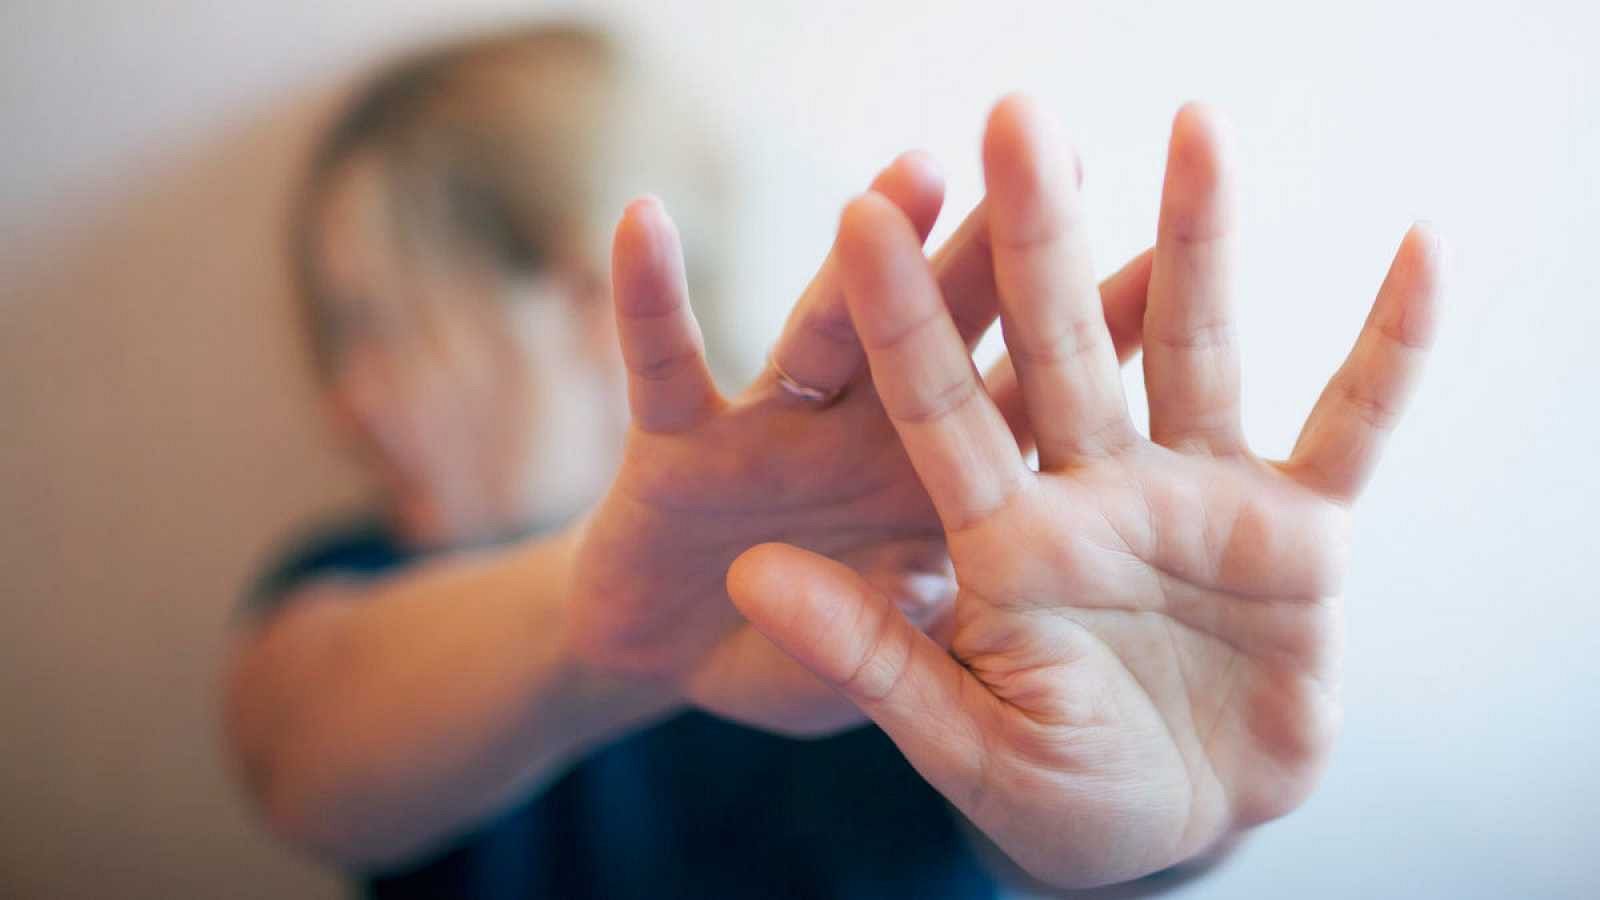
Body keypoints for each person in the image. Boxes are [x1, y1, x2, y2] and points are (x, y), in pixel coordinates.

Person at [224, 24, 1441, 900]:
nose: (343, 402)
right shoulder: (362, 580)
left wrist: (1174, 818)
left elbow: (1046, 832)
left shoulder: (918, 582)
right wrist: (605, 626)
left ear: (584, 301)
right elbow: (290, 753)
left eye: (377, 326)